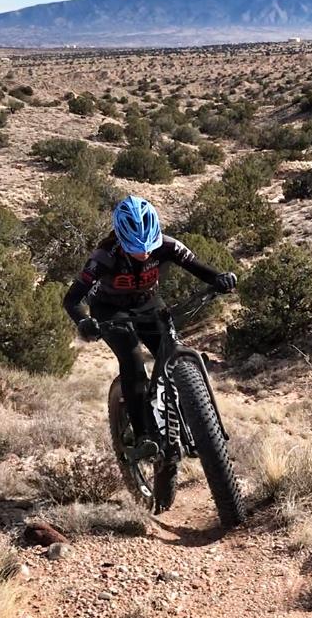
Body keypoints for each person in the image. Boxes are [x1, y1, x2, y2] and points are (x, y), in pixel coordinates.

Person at [63, 195, 236, 458]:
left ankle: (200, 424)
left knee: (172, 355)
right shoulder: (103, 255)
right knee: (132, 359)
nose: (144, 252)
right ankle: (143, 436)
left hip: (148, 303)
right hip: (111, 310)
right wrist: (85, 321)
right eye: (135, 247)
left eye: (149, 245)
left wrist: (219, 278)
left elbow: (197, 267)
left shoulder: (167, 245)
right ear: (121, 239)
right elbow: (72, 298)